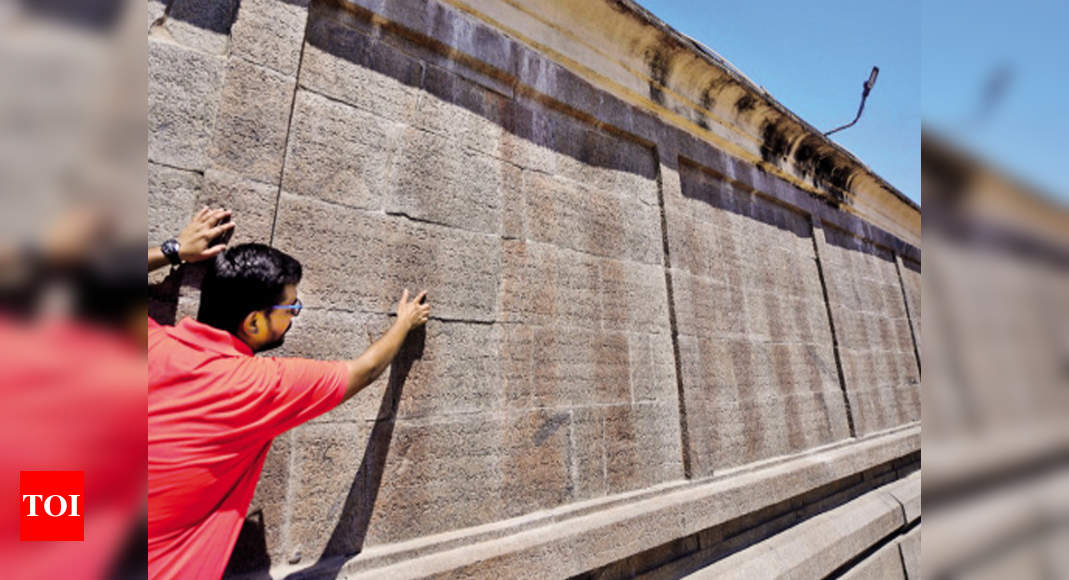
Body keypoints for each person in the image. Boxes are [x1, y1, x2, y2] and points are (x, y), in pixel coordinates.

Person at [147, 209, 430, 579]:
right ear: (253, 321)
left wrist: (175, 250)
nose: (294, 315)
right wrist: (404, 323)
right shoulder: (259, 386)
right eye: (290, 307)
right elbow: (366, 369)